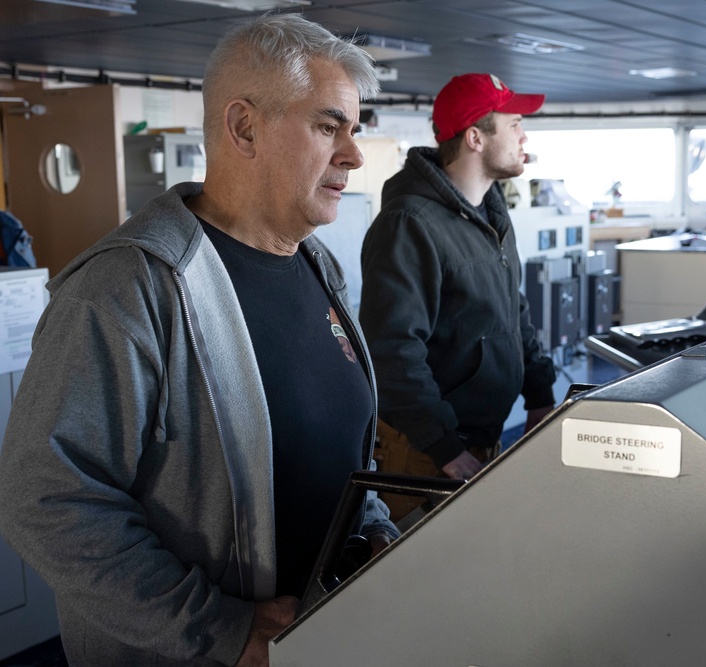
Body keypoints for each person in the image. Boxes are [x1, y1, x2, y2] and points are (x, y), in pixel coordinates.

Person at [0, 14, 398, 667]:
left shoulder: (317, 265)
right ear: (245, 127)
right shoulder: (125, 290)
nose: (353, 153)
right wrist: (219, 626)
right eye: (329, 127)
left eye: (354, 130)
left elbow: (338, 442)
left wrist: (373, 525)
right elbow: (45, 497)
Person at [358, 73, 557, 520]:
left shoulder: (491, 216)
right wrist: (443, 445)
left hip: (478, 438)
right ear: (475, 138)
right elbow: (392, 349)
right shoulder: (410, 223)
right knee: (413, 581)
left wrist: (540, 392)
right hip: (425, 452)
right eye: (514, 125)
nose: (525, 136)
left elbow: (513, 312)